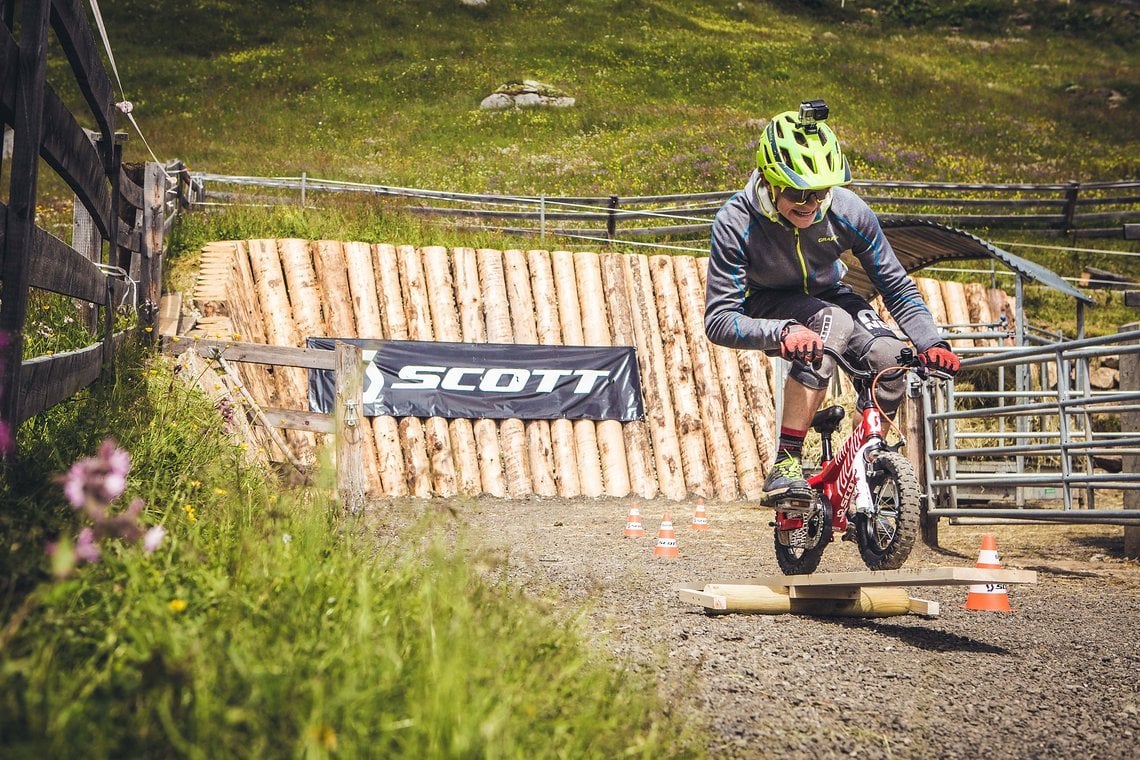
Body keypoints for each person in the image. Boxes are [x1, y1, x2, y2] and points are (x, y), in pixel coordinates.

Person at [704, 100, 960, 500]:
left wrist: (930, 341)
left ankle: (866, 462)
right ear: (769, 181)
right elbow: (719, 320)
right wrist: (783, 331)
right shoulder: (736, 221)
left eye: (820, 192)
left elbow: (894, 283)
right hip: (769, 304)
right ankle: (786, 463)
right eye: (797, 193)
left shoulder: (847, 210)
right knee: (832, 326)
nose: (809, 204)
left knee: (890, 355)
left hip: (830, 295)